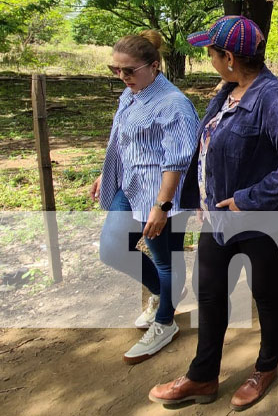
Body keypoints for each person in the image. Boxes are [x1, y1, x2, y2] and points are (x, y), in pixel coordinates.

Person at [149, 16, 278, 411]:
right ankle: (203, 376)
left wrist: (248, 199)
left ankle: (266, 367)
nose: (206, 57)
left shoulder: (275, 100)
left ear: (228, 57)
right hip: (219, 219)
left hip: (263, 220)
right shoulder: (229, 91)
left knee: (267, 294)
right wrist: (200, 199)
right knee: (210, 294)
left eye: (209, 52)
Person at [91, 30, 199, 363]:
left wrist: (161, 206)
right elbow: (125, 140)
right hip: (131, 185)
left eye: (129, 70)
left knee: (165, 259)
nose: (122, 77)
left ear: (154, 66)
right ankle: (162, 294)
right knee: (112, 248)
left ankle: (165, 321)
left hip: (162, 195)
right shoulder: (132, 94)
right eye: (116, 70)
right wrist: (104, 172)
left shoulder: (173, 104)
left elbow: (178, 159)